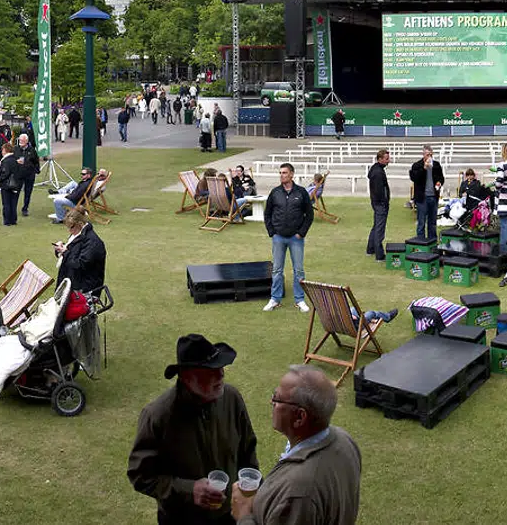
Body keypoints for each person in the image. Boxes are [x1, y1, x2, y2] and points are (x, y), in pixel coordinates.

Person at [128, 333, 259, 524]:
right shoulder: (158, 416)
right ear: (187, 377)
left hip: (230, 514)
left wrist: (251, 495)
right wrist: (189, 490)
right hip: (182, 519)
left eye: (221, 367)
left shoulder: (231, 398)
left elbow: (248, 451)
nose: (221, 374)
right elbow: (140, 475)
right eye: (211, 371)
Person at [229, 365, 363, 525]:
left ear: (300, 416)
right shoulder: (345, 440)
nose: (271, 402)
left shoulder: (298, 493)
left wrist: (244, 515)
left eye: (276, 398)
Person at [263, 163, 314, 313]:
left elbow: (309, 215)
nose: (282, 175)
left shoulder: (301, 192)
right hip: (278, 237)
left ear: (291, 174)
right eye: (280, 173)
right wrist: (272, 232)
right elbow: (267, 213)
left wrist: (301, 232)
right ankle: (274, 299)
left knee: (298, 270)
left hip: (296, 238)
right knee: (277, 270)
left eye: (284, 173)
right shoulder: (275, 192)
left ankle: (300, 300)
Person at [55, 209, 107, 294]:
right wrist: (61, 249)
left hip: (83, 289)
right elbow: (73, 252)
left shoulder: (92, 242)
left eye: (71, 227)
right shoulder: (79, 235)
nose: (69, 231)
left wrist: (65, 252)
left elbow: (80, 264)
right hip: (73, 284)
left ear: (80, 224)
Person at [409, 145, 445, 242]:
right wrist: (424, 168)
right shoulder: (417, 165)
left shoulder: (436, 165)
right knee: (421, 222)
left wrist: (439, 182)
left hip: (433, 197)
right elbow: (414, 178)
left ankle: (432, 243)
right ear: (423, 154)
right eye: (427, 154)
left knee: (432, 222)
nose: (429, 156)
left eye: (431, 154)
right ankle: (420, 243)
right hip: (422, 198)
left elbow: (441, 178)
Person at [366, 150, 390, 259]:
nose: (388, 160)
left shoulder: (376, 170)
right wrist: (384, 202)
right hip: (380, 204)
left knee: (376, 226)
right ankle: (379, 255)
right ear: (380, 159)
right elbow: (380, 191)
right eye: (386, 159)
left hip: (377, 203)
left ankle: (370, 249)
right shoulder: (378, 173)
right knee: (379, 229)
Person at [0, 142, 21, 226]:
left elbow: (5, 173)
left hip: (6, 185)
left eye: (3, 150)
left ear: (6, 150)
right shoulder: (15, 159)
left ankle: (7, 220)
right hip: (15, 184)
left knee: (6, 203)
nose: (2, 152)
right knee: (13, 203)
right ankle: (13, 219)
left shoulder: (6, 161)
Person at [15, 133, 40, 217]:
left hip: (29, 175)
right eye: (20, 140)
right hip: (18, 174)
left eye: (22, 140)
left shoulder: (32, 150)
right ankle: (13, 207)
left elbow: (36, 161)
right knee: (16, 191)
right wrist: (16, 162)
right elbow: (11, 160)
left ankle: (25, 208)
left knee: (28, 192)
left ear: (26, 141)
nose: (20, 142)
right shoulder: (15, 149)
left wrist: (36, 170)